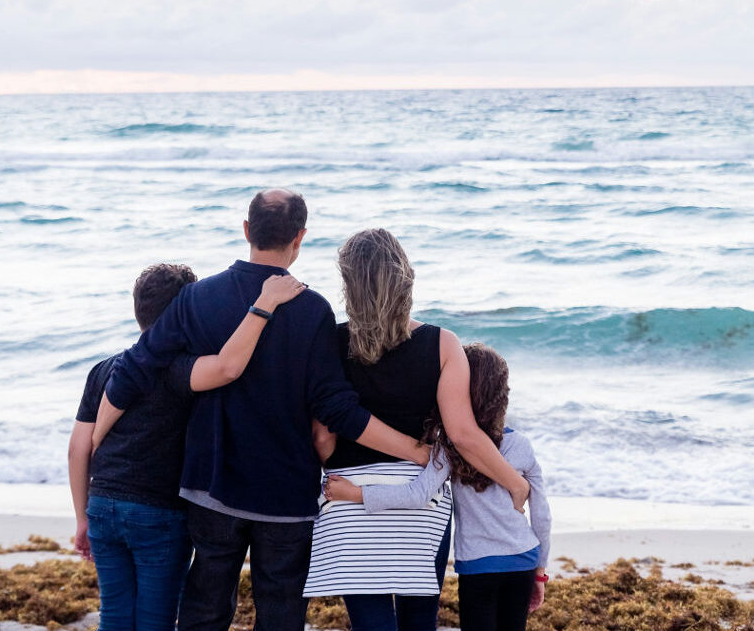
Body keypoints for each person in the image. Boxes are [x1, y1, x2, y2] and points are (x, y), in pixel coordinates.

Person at [91, 189, 431, 631]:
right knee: (281, 613)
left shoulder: (198, 298)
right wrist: (414, 450)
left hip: (211, 485)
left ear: (247, 230)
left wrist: (96, 439)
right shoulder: (313, 311)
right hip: (285, 495)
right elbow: (337, 409)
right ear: (300, 237)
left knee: (204, 611)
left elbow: (136, 367)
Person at [302, 229, 530, 631]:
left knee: (372, 624)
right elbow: (463, 434)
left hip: (351, 503)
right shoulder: (443, 343)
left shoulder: (329, 342)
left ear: (349, 284)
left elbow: (322, 439)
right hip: (419, 504)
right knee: (420, 620)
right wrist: (514, 484)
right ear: (405, 277)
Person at [68, 263, 306, 630]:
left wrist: (82, 516)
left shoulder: (104, 369)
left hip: (103, 506)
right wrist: (264, 305)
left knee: (114, 615)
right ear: (186, 312)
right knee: (156, 619)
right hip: (158, 512)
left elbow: (78, 449)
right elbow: (229, 366)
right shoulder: (180, 371)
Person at [326, 343, 552, 631]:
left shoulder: (449, 446)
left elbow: (417, 495)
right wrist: (540, 572)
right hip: (524, 560)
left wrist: (355, 493)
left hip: (478, 566)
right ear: (501, 394)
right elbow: (542, 515)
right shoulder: (521, 445)